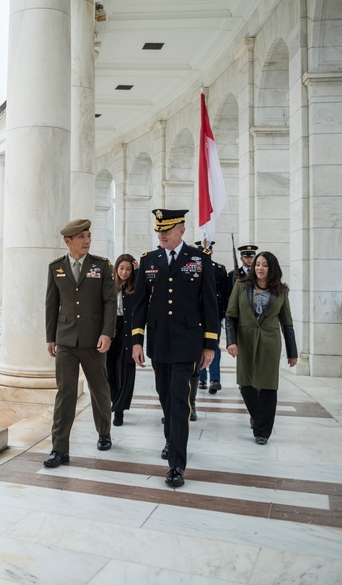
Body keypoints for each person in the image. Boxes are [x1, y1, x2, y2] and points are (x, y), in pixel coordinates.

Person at [131, 209, 218, 488]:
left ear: (181, 230)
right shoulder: (149, 260)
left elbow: (210, 305)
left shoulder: (199, 259)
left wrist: (209, 345)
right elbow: (140, 303)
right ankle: (171, 438)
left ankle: (177, 464)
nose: (162, 234)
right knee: (165, 397)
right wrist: (136, 340)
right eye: (159, 230)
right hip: (159, 341)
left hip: (188, 343)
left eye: (167, 230)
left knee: (180, 401)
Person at [44, 218, 116, 468]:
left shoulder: (102, 266)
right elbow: (52, 304)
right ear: (68, 241)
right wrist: (50, 337)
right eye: (82, 237)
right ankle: (59, 449)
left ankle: (104, 432)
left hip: (94, 340)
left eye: (88, 236)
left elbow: (110, 302)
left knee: (99, 388)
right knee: (65, 393)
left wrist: (107, 333)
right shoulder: (56, 267)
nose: (87, 240)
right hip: (65, 340)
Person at [224, 250, 298, 445]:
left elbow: (287, 323)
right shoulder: (241, 287)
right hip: (245, 340)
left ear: (272, 268)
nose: (260, 268)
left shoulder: (281, 291)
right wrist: (231, 341)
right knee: (246, 384)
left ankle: (262, 431)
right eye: (257, 264)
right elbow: (231, 316)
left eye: (264, 265)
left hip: (270, 342)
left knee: (268, 386)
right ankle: (259, 416)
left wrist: (292, 352)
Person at [107, 254, 139, 426]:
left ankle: (119, 409)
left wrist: (139, 272)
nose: (124, 272)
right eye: (121, 268)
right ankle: (113, 401)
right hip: (111, 330)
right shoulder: (110, 286)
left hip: (129, 331)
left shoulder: (135, 287)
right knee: (109, 369)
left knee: (125, 370)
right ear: (116, 269)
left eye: (128, 269)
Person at [196, 241, 230, 395]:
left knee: (213, 346)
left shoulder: (219, 269)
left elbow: (223, 294)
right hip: (196, 314)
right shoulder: (192, 267)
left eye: (208, 250)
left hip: (213, 314)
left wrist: (223, 315)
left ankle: (214, 379)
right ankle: (201, 377)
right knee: (197, 346)